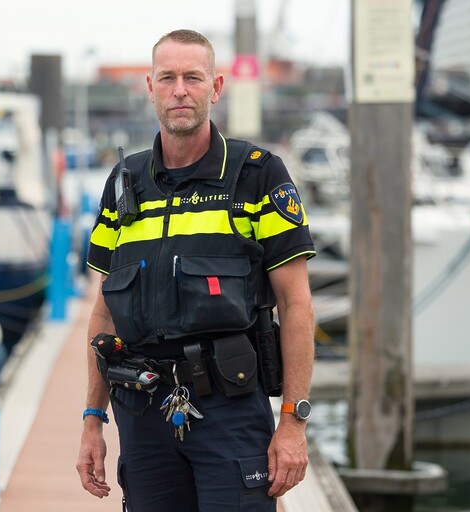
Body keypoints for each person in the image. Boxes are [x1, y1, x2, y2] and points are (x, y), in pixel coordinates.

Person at [76, 29, 316, 511]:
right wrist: (91, 420)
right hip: (142, 417)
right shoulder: (123, 185)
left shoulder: (258, 174)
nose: (179, 90)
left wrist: (292, 421)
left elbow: (296, 304)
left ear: (216, 87)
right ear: (150, 87)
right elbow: (104, 314)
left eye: (192, 77)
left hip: (230, 409)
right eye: (167, 78)